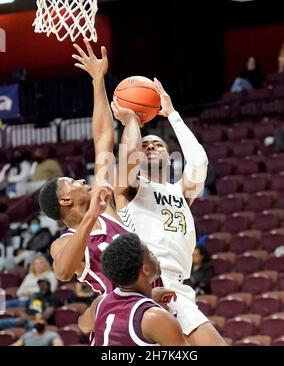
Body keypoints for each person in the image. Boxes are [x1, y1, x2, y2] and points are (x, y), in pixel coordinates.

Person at [112, 80, 226, 345]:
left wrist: (172, 114)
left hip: (178, 287)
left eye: (158, 145)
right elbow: (128, 156)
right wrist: (130, 121)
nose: (150, 147)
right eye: (145, 145)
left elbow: (199, 162)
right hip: (146, 282)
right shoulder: (130, 189)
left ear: (170, 157)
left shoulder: (181, 192)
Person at [38, 41, 129, 295]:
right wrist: (90, 216)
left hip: (152, 303)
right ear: (65, 199)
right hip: (120, 318)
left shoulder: (105, 211)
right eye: (71, 182)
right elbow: (64, 272)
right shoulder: (63, 242)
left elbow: (102, 140)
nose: (80, 181)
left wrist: (98, 81)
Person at [79, 233, 189, 346]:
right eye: (150, 254)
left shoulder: (100, 302)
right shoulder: (155, 317)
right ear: (145, 269)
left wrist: (149, 298)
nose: (155, 255)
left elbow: (83, 325)